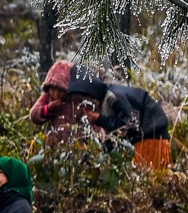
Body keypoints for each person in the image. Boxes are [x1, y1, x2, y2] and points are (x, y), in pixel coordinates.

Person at [29, 59, 173, 169]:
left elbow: (130, 124)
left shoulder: (114, 97)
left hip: (152, 137)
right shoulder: (105, 97)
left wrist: (100, 120)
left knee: (148, 178)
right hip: (142, 137)